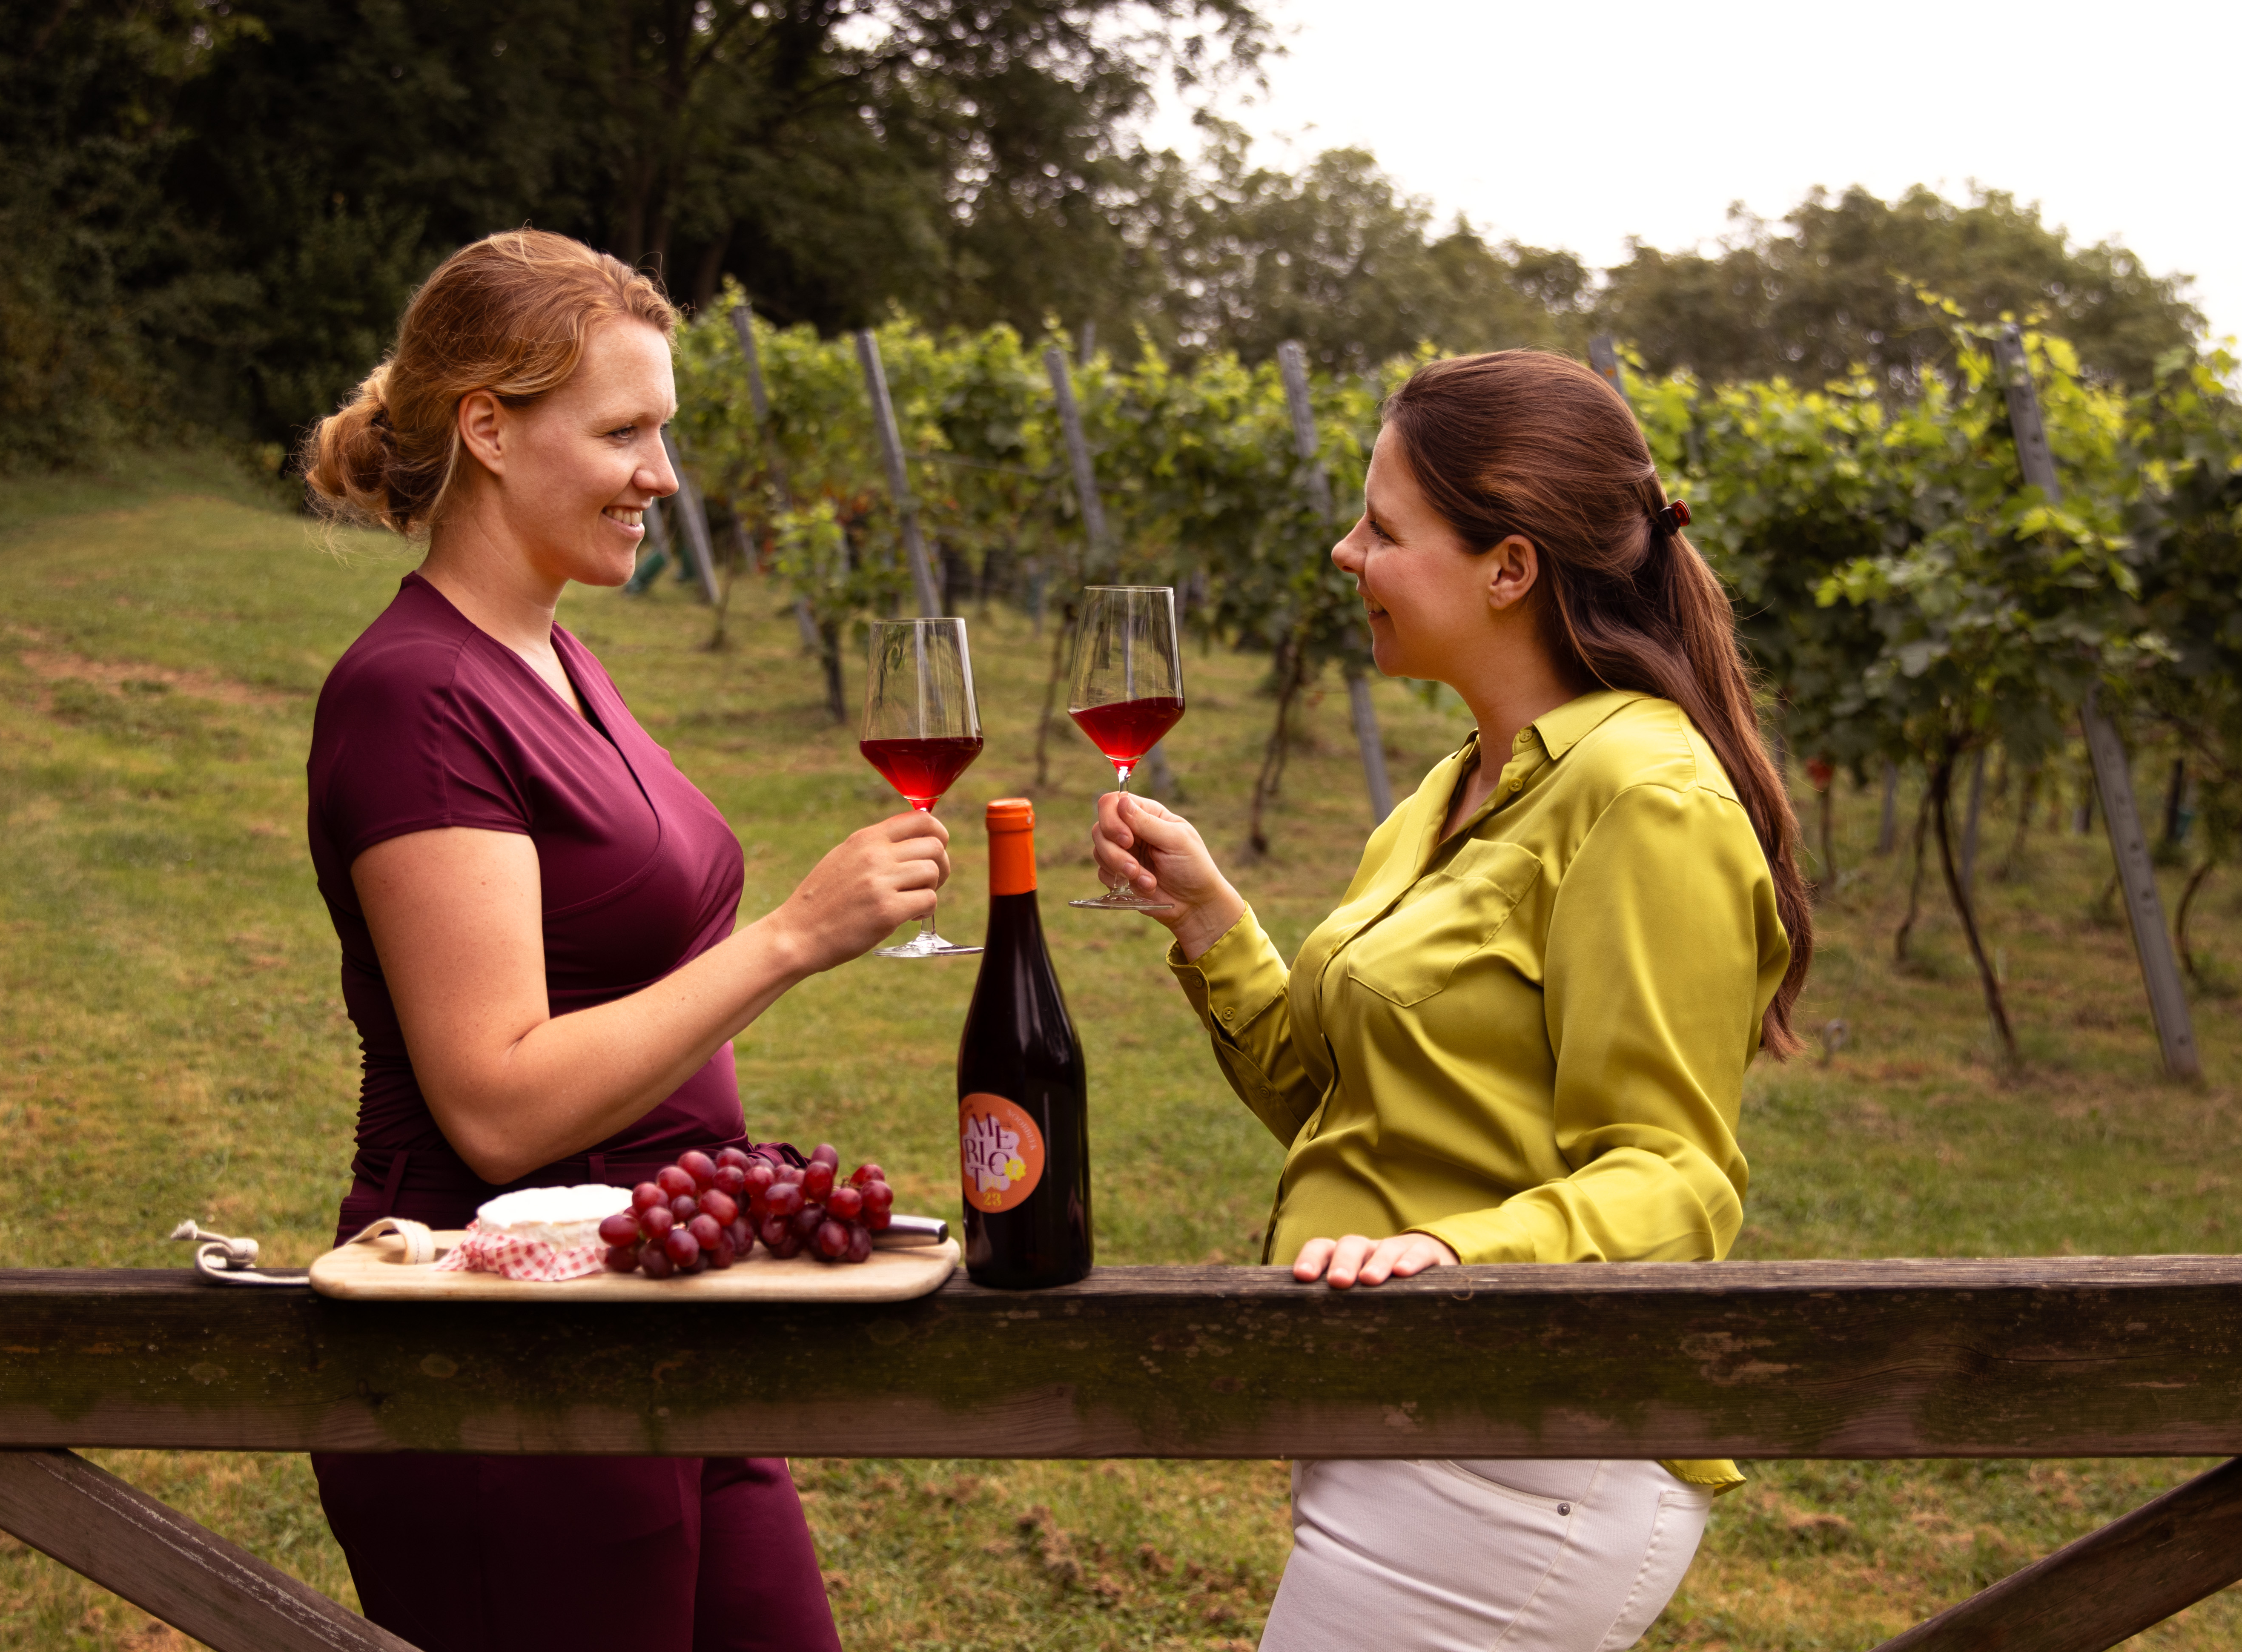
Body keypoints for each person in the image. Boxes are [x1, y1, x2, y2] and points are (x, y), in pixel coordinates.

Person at [1089, 350, 1810, 1651]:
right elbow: (1355, 1110)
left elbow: (1674, 1179)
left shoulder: (1644, 798)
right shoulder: (1457, 785)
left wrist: (1457, 1255)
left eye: (1383, 527)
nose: (1344, 552)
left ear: (1508, 568)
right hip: (1417, 1415)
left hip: (1526, 1458)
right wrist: (1209, 923)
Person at [297, 229, 944, 1651]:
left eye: (664, 432)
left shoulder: (556, 655)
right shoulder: (414, 697)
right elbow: (498, 1105)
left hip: (664, 1305)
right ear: (487, 429)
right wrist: (792, 938)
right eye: (622, 433)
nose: (663, 475)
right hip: (508, 1359)